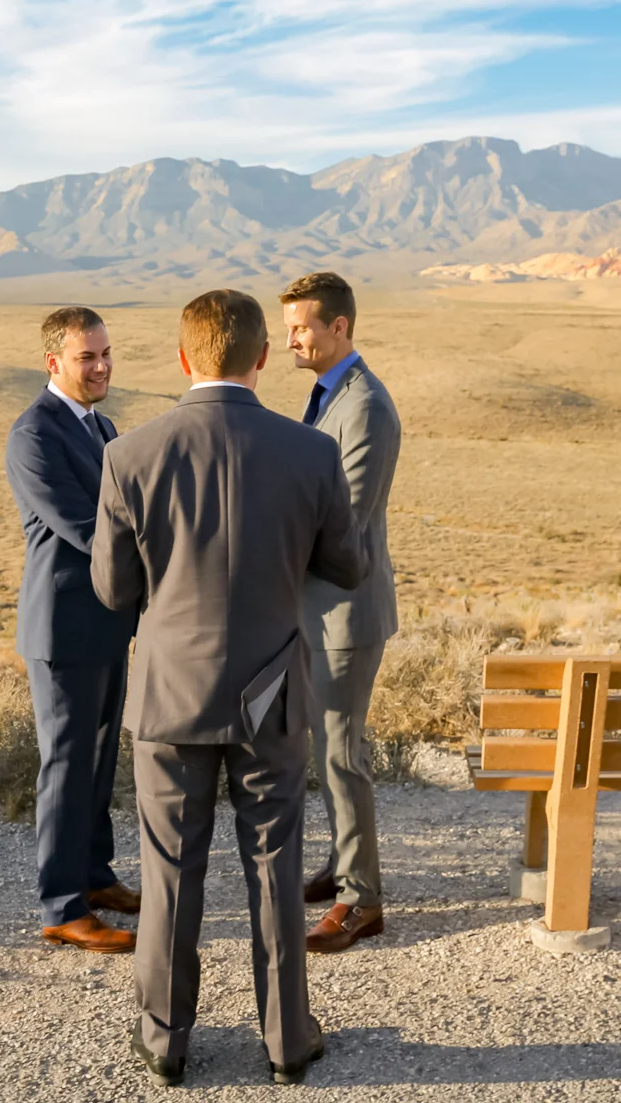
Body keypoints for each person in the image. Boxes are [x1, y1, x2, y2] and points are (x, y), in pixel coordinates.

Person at [90, 290, 369, 1087]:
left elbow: (113, 590)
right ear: (261, 358)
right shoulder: (311, 452)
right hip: (272, 694)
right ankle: (287, 1041)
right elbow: (348, 566)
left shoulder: (129, 455)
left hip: (170, 695)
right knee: (276, 866)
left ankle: (165, 1041)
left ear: (184, 358)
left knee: (170, 870)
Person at [5, 306, 139, 953]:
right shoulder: (34, 434)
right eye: (87, 357)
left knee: (99, 759)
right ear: (53, 362)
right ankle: (62, 906)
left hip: (107, 623)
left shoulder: (100, 425)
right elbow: (86, 528)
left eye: (106, 353)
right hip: (63, 629)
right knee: (65, 765)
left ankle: (94, 876)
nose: (102, 366)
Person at [281, 272, 401, 954]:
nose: (291, 340)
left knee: (342, 752)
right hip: (318, 610)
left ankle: (362, 900)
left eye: (301, 327)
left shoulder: (366, 407)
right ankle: (341, 863)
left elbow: (344, 523)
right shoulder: (329, 394)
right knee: (325, 749)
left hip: (346, 613)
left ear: (339, 327)